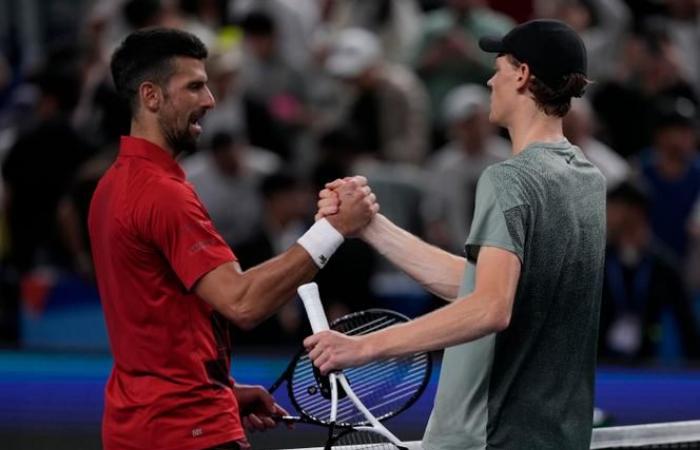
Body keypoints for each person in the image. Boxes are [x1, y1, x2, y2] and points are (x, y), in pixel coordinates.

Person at [307, 19, 607, 450]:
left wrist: (359, 349)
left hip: (489, 438)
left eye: (499, 66)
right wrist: (372, 226)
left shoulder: (510, 179)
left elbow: (489, 307)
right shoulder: (587, 179)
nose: (490, 78)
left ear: (522, 75)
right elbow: (481, 284)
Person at [88, 28, 377, 450]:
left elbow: (155, 321)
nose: (210, 100)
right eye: (194, 86)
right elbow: (243, 302)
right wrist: (332, 229)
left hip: (137, 425)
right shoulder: (161, 193)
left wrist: (222, 389)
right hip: (188, 430)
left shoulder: (112, 186)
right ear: (151, 96)